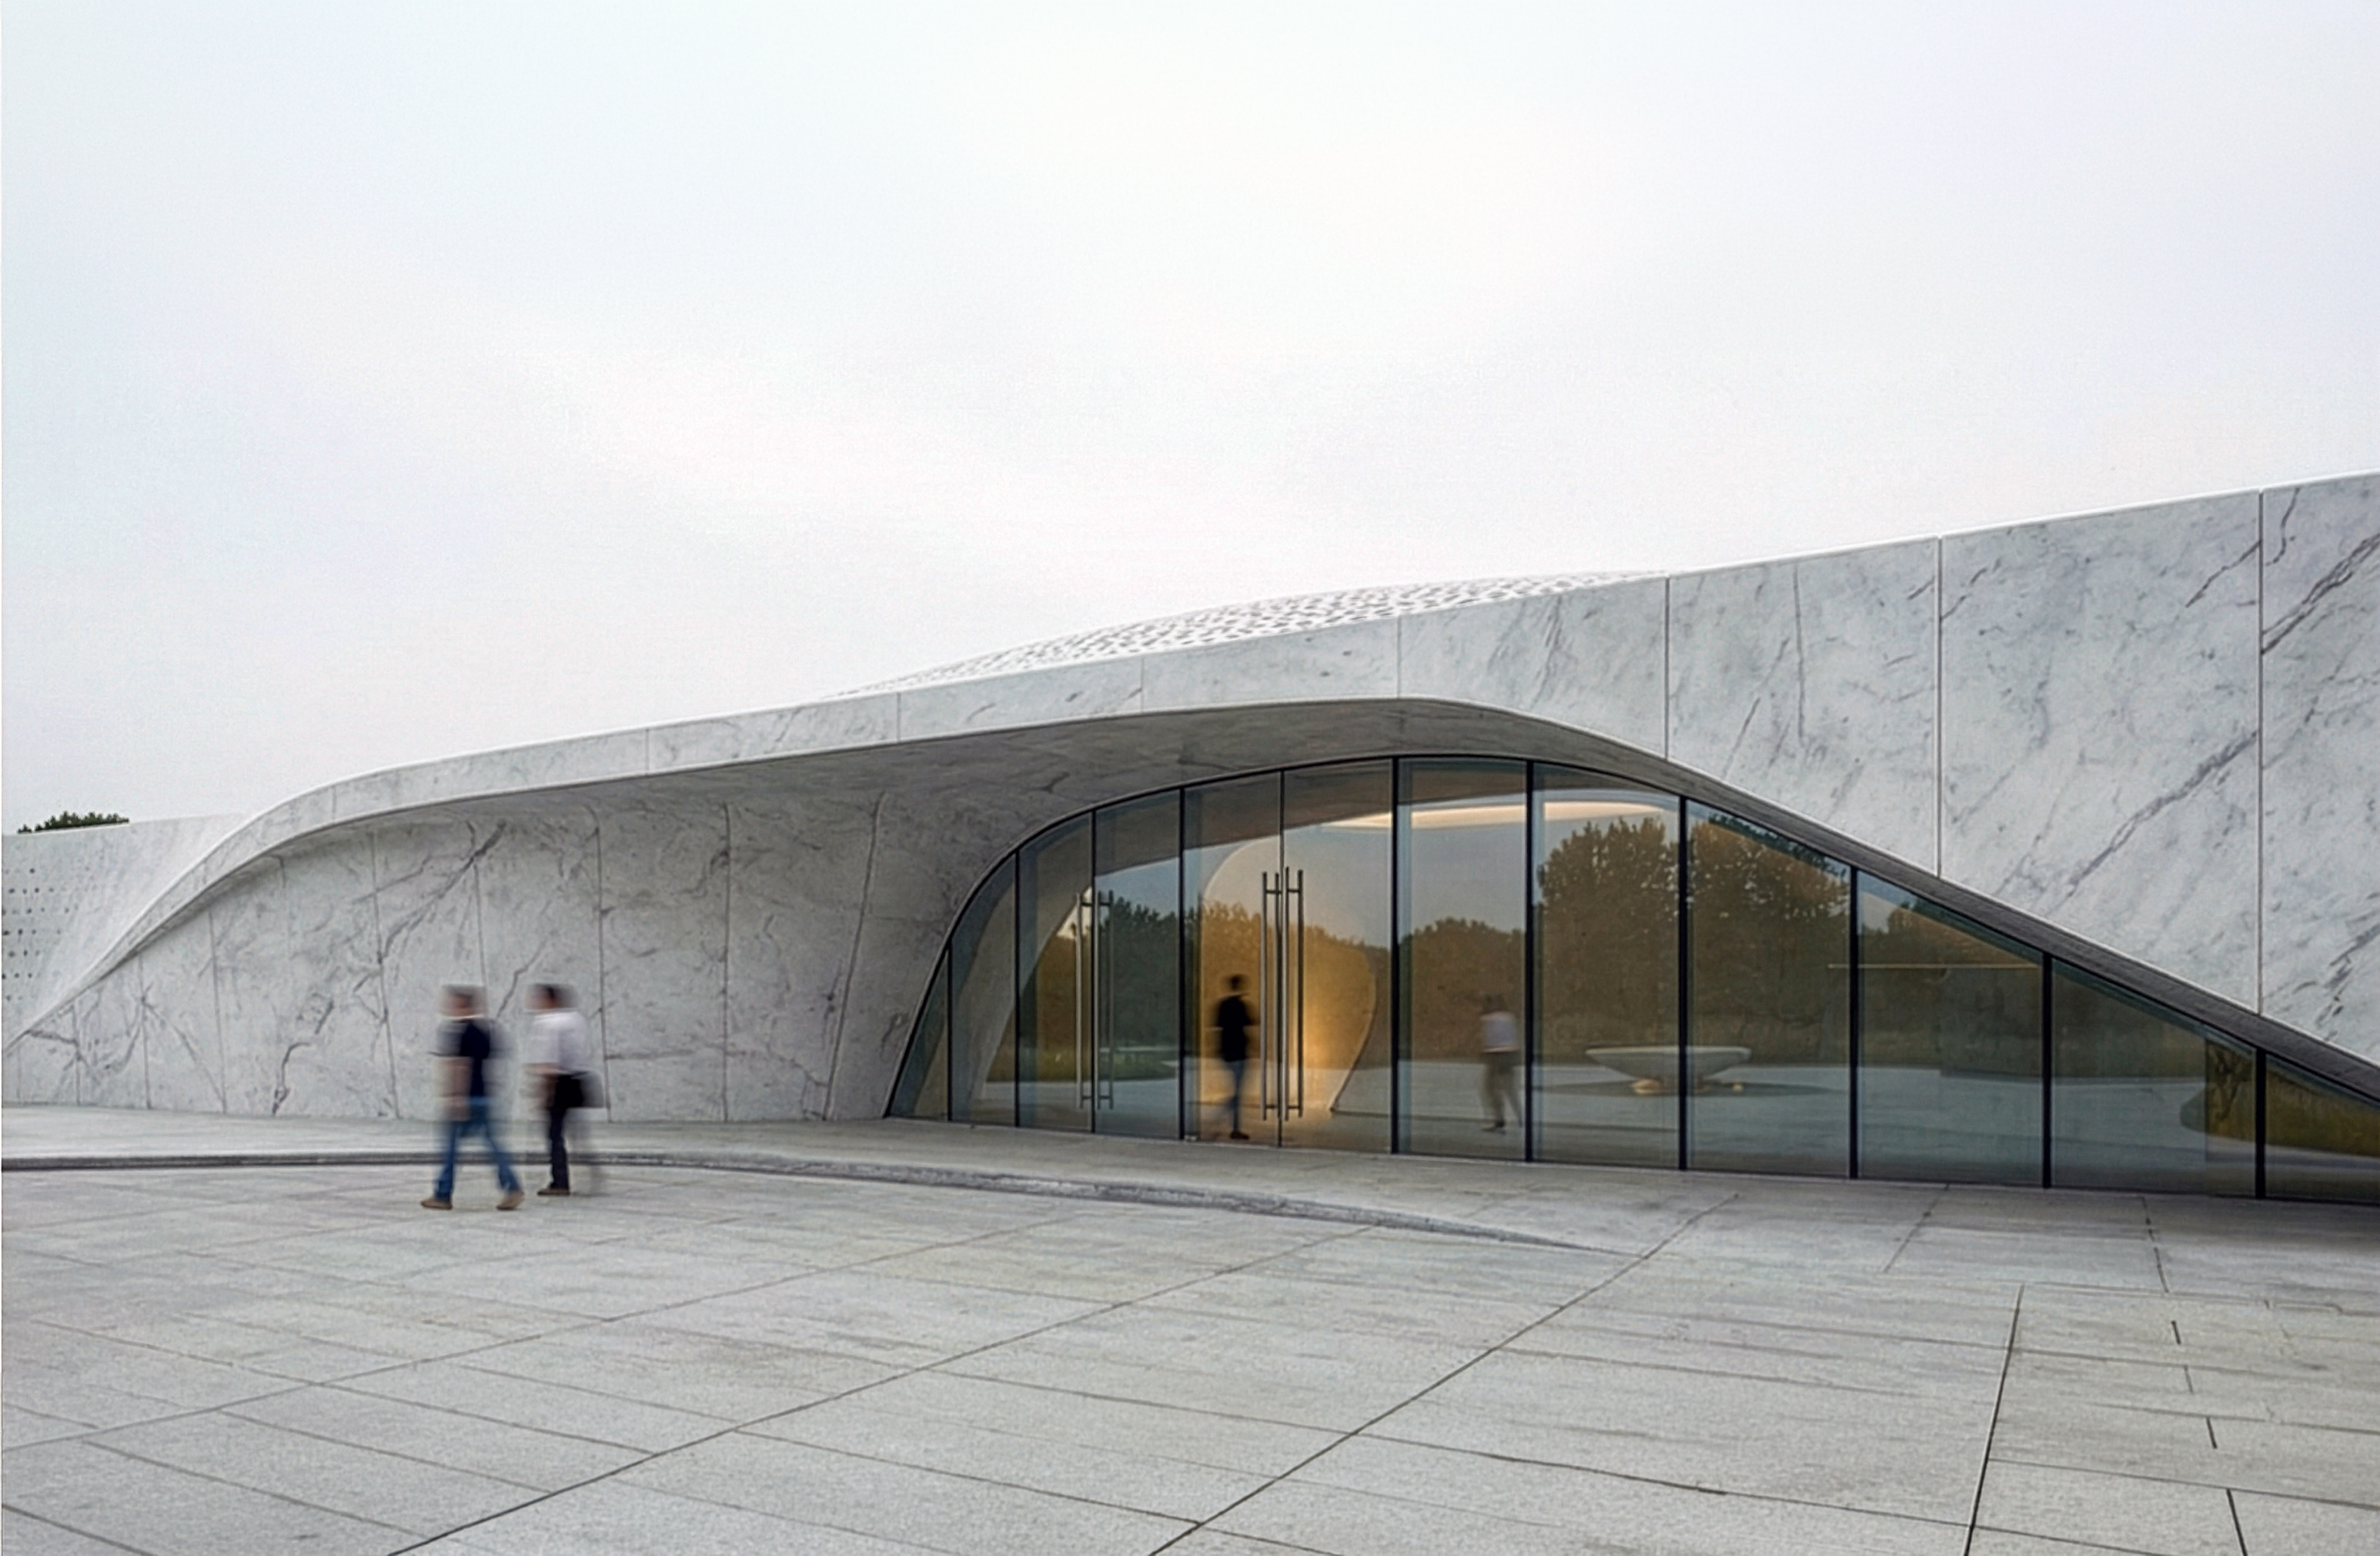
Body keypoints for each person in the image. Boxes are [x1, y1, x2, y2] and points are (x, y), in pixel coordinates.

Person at [422, 985, 524, 1210]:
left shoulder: (458, 1031)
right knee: (493, 1145)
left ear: (463, 1005)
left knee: (450, 1149)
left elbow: (461, 1066)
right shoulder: (486, 1031)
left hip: (465, 1099)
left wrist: (457, 1097)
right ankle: (512, 1186)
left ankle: (442, 1194)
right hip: (483, 1096)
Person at [525, 983, 594, 1196]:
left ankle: (560, 1181)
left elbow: (550, 1061)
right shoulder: (576, 1019)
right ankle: (590, 1171)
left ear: (549, 1000)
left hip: (559, 1084)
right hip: (577, 1080)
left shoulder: (549, 1023)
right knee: (575, 1132)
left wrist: (545, 1092)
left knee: (555, 1134)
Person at [1214, 974, 1255, 1141]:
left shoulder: (1223, 1005)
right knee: (1237, 1092)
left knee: (1237, 1091)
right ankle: (1228, 1120)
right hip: (1239, 1052)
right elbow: (1250, 1021)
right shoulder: (1240, 1005)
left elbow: (1218, 1025)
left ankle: (1233, 1124)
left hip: (1227, 1052)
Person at [1479, 992, 1521, 1133]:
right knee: (1510, 1089)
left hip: (1496, 1055)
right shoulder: (1510, 1017)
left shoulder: (1489, 1019)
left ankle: (1499, 1119)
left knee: (1491, 1088)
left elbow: (1490, 1040)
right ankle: (1520, 1116)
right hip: (1511, 1054)